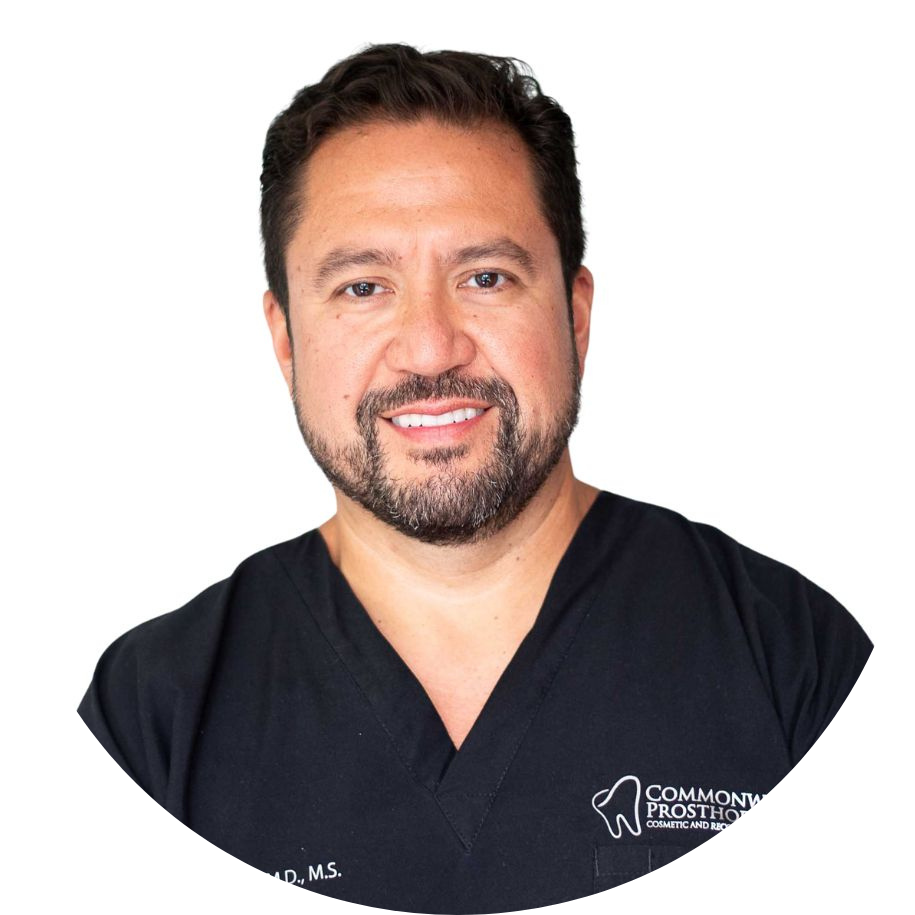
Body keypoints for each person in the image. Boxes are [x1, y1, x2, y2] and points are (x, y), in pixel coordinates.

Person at [78, 43, 873, 908]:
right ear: (285, 339)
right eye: (362, 287)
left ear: (574, 315)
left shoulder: (788, 658)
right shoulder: (156, 714)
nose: (430, 348)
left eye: (485, 277)